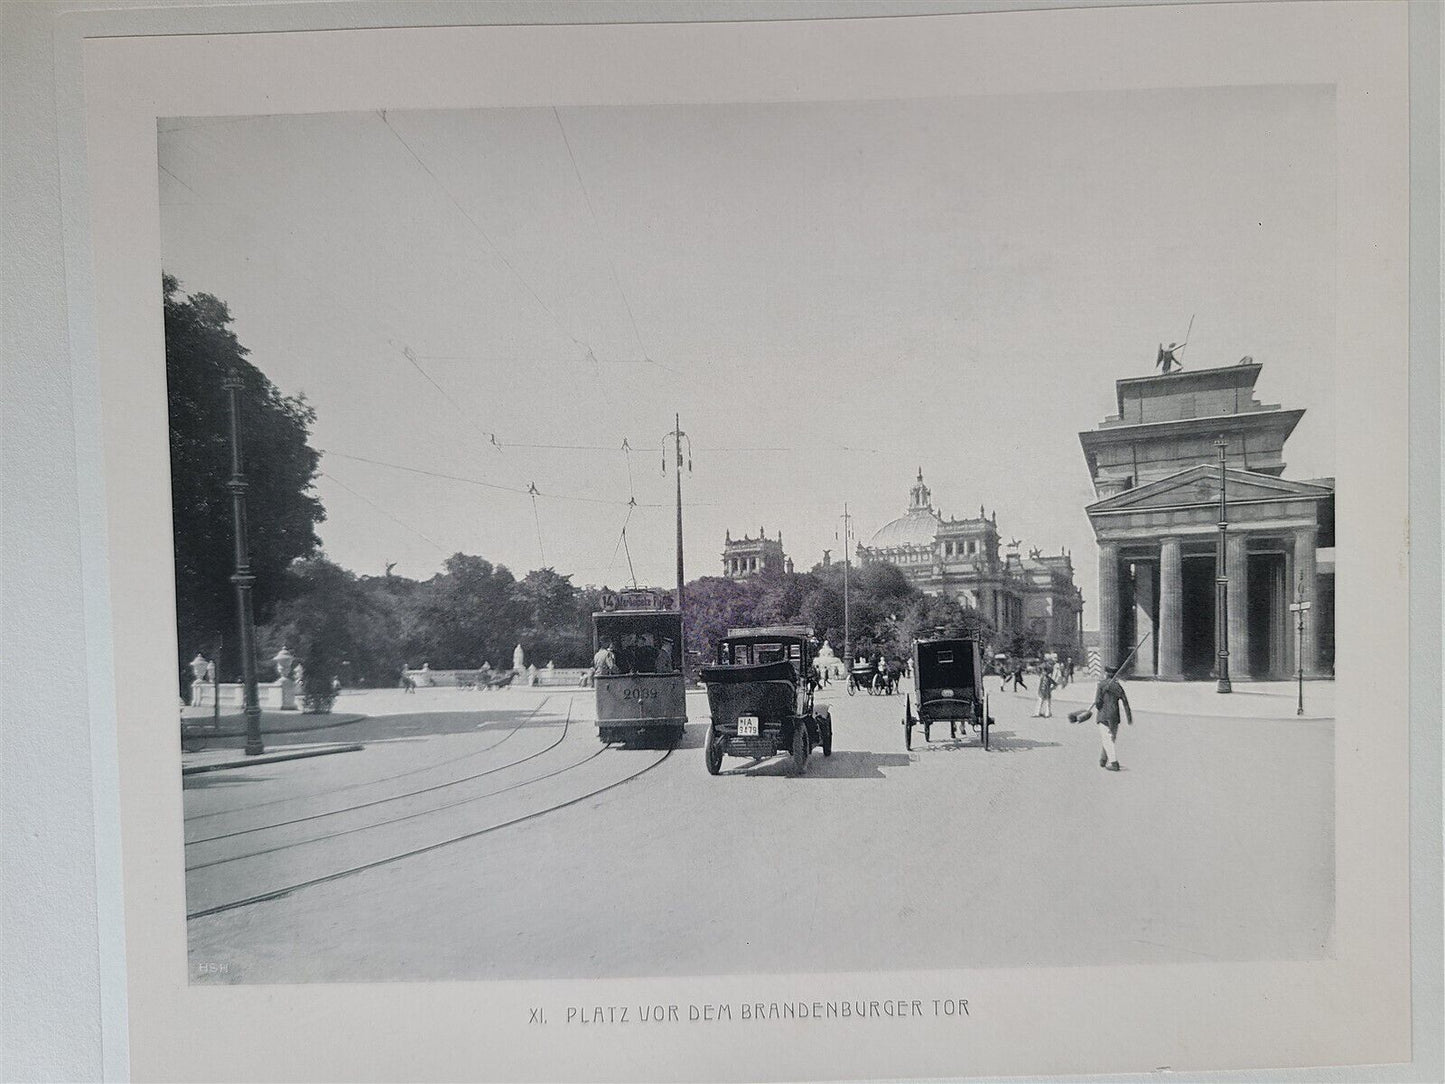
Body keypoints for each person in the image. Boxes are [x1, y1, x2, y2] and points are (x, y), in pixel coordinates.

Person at [1081, 664, 1132, 771]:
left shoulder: (1101, 685)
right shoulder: (1118, 686)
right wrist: (1129, 717)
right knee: (1109, 739)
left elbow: (1098, 703)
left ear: (1106, 674)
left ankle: (1114, 763)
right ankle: (1103, 760)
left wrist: (1100, 698)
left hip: (1103, 716)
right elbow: (1125, 702)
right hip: (1114, 716)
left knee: (1107, 739)